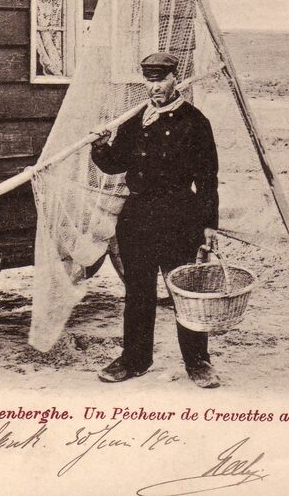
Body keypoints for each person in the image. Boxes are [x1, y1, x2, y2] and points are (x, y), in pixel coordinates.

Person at [91, 52, 220, 388]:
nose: (155, 87)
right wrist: (101, 147)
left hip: (179, 218)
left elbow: (207, 178)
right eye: (149, 81)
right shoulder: (136, 119)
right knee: (138, 291)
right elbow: (115, 164)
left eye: (161, 79)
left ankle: (198, 361)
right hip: (137, 218)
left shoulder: (195, 122)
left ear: (176, 78)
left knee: (185, 291)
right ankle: (135, 359)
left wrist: (208, 225)